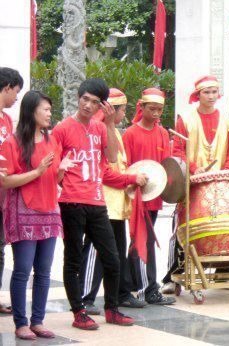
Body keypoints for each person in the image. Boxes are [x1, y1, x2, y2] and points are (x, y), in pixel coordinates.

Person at [52, 78, 135, 330]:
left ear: (102, 106)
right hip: (71, 202)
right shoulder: (62, 129)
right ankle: (79, 311)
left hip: (97, 202)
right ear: (78, 97)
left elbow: (111, 158)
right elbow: (55, 171)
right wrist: (60, 171)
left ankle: (112, 309)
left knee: (112, 258)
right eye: (85, 99)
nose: (88, 105)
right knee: (73, 260)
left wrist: (109, 123)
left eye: (95, 102)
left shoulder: (100, 128)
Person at [1, 91, 74, 340]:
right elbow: (6, 181)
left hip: (49, 211)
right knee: (22, 270)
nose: (49, 114)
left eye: (50, 110)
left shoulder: (51, 141)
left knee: (43, 271)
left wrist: (60, 171)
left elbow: (52, 178)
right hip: (24, 212)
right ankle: (21, 323)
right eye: (45, 109)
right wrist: (37, 170)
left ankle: (38, 321)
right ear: (31, 110)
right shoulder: (13, 142)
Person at [161, 75, 229, 293]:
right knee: (183, 227)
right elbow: (177, 152)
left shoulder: (228, 121)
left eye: (214, 92)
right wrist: (195, 169)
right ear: (198, 95)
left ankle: (225, 272)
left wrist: (224, 173)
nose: (211, 96)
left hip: (219, 184)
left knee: (223, 225)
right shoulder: (185, 119)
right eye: (207, 92)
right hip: (191, 183)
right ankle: (172, 277)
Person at [80, 88, 147, 315]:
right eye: (123, 110)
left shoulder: (113, 132)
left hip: (117, 203)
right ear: (111, 110)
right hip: (101, 203)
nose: (125, 114)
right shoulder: (96, 131)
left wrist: (129, 181)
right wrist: (130, 178)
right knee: (95, 251)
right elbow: (104, 172)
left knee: (117, 250)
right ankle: (84, 296)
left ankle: (121, 292)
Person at [122, 88, 175, 305]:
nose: (156, 113)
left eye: (159, 110)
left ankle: (129, 282)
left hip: (154, 195)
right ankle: (147, 289)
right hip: (137, 197)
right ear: (141, 107)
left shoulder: (162, 133)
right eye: (152, 109)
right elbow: (125, 167)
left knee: (144, 240)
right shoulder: (130, 134)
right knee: (143, 240)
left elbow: (166, 164)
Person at [0, 67, 23, 315]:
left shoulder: (6, 119)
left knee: (0, 247)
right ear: (6, 87)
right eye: (15, 91)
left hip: (4, 196)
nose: (16, 97)